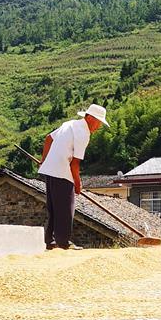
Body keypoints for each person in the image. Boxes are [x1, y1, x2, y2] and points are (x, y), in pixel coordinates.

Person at [38, 103, 108, 250]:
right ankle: (63, 243)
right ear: (90, 118)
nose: (99, 126)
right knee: (66, 208)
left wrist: (44, 161)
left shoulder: (69, 124)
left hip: (50, 169)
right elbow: (74, 164)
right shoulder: (83, 133)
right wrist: (77, 183)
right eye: (99, 122)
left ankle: (50, 242)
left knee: (54, 208)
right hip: (62, 171)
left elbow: (48, 139)